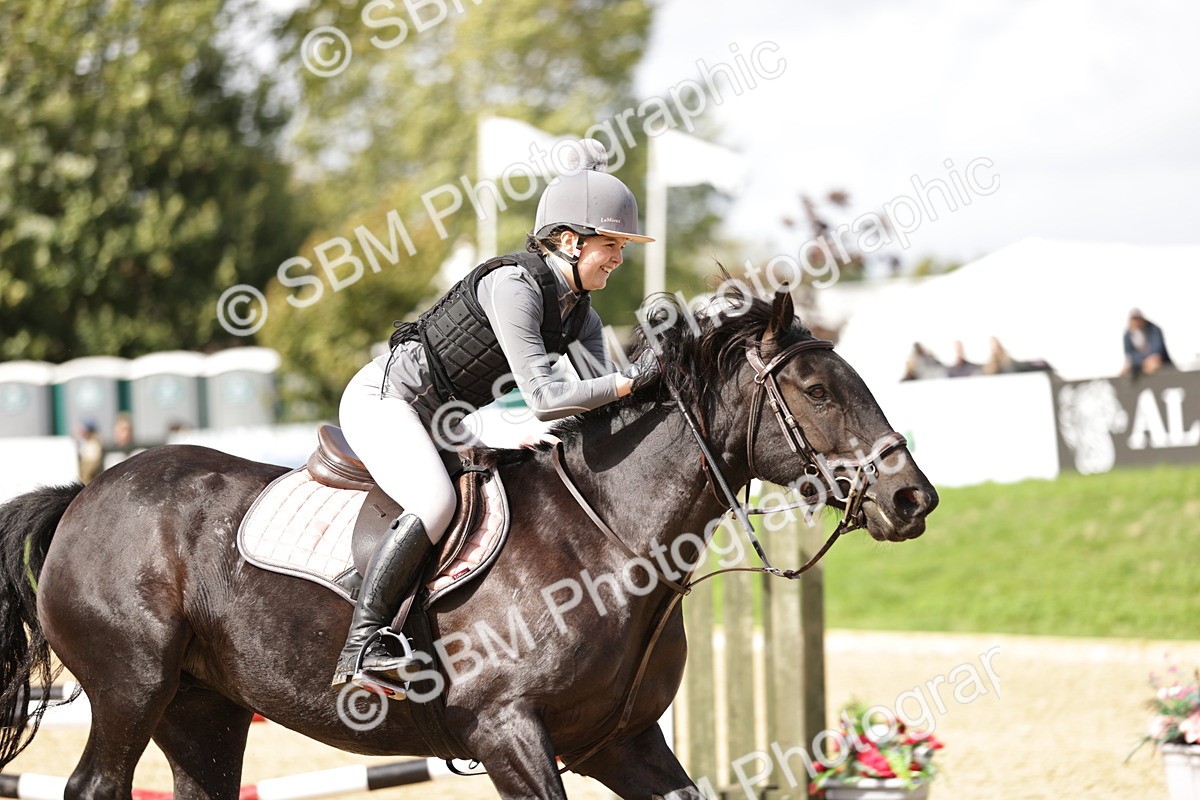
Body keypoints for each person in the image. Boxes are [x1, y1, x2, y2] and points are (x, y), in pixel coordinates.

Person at [332, 141, 660, 690]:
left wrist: (654, 382)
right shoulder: (513, 284)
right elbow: (549, 397)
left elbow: (598, 406)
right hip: (386, 400)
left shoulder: (582, 315)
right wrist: (632, 378)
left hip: (450, 420)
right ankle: (361, 644)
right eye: (611, 245)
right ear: (570, 240)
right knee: (435, 501)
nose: (619, 259)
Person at [1121, 308, 1173, 377]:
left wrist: (1150, 359)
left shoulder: (1154, 329)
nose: (1136, 322)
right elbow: (1129, 354)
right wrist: (1142, 361)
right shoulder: (1127, 335)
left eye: (1137, 319)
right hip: (1140, 363)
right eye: (1134, 319)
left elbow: (1157, 349)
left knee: (1154, 363)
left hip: (1159, 362)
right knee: (1126, 369)